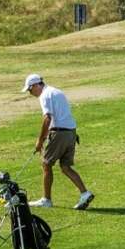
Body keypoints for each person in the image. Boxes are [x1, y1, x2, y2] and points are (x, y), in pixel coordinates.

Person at [22, 73, 94, 210]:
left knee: (46, 164)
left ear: (36, 85)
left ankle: (46, 200)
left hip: (59, 133)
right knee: (65, 167)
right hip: (71, 132)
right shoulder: (56, 91)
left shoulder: (45, 95)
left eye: (30, 90)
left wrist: (40, 140)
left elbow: (47, 118)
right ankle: (85, 193)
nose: (30, 93)